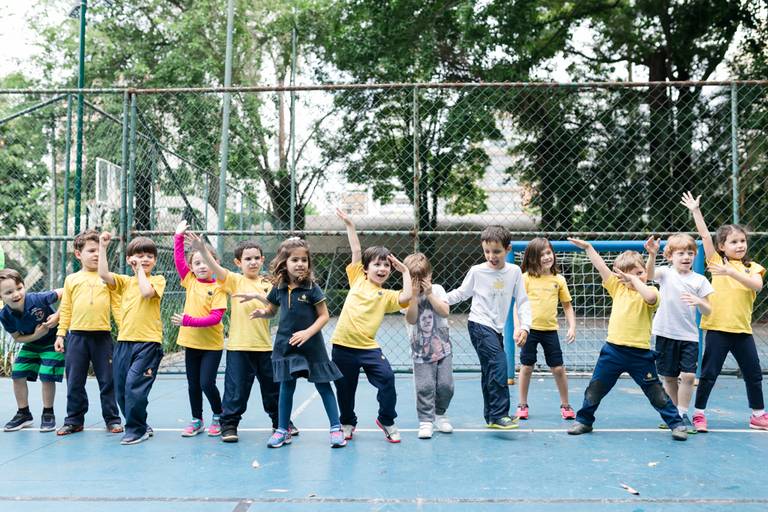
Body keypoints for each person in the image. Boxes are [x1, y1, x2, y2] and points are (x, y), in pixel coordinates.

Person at [566, 238, 687, 441]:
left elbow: (649, 297)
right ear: (620, 277)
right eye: (629, 275)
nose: (635, 278)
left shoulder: (652, 293)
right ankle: (584, 420)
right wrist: (588, 248)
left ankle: (675, 423)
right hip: (613, 351)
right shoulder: (617, 288)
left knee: (656, 392)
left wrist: (639, 276)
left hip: (640, 354)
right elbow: (601, 266)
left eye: (640, 273)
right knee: (595, 388)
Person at [188, 235, 297, 443]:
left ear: (263, 259)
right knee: (235, 389)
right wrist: (202, 250)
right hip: (239, 347)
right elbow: (216, 268)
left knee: (272, 389)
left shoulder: (268, 283)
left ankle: (281, 423)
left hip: (264, 347)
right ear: (238, 263)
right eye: (248, 259)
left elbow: (273, 309)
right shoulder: (234, 280)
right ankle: (229, 426)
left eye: (257, 258)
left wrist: (257, 298)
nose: (253, 262)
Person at [240, 238, 345, 448]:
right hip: (286, 346)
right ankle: (282, 429)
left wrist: (308, 332)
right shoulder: (279, 288)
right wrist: (263, 313)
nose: (300, 264)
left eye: (304, 260)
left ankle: (336, 428)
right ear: (284, 263)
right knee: (286, 388)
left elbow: (324, 316)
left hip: (312, 347)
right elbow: (272, 309)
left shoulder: (312, 288)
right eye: (295, 259)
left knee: (323, 386)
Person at [682, 191, 768, 431]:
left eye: (742, 241)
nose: (739, 245)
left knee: (753, 373)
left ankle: (758, 414)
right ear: (722, 246)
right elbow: (704, 237)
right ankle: (699, 414)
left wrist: (732, 272)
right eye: (733, 241)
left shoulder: (753, 268)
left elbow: (757, 286)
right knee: (709, 374)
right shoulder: (716, 262)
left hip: (742, 331)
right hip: (718, 329)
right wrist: (696, 211)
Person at [331, 209, 412, 443]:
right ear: (365, 268)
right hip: (343, 346)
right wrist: (350, 225)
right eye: (377, 264)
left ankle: (386, 419)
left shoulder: (386, 295)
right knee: (345, 390)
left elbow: (406, 296)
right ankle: (347, 422)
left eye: (386, 265)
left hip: (368, 349)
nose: (382, 268)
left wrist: (405, 271)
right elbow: (356, 250)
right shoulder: (356, 279)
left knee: (387, 378)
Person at [446, 225, 531, 430]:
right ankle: (500, 414)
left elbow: (523, 301)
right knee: (499, 364)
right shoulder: (477, 271)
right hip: (479, 324)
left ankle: (491, 417)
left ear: (508, 249)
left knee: (489, 370)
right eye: (487, 251)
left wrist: (525, 327)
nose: (491, 256)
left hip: (496, 328)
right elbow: (460, 293)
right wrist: (436, 299)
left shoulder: (514, 272)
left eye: (497, 251)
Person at [99, 231, 165, 445]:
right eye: (139, 255)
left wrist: (140, 272)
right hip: (125, 342)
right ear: (129, 259)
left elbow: (146, 293)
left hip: (148, 343)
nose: (145, 259)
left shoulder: (157, 279)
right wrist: (102, 247)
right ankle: (140, 424)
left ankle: (136, 430)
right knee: (120, 390)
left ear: (154, 260)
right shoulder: (125, 282)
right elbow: (103, 275)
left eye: (149, 256)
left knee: (134, 387)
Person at [55, 229, 123, 435]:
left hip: (102, 337)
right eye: (91, 250)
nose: (95, 254)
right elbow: (65, 308)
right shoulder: (72, 280)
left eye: (99, 250)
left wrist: (125, 332)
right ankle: (74, 420)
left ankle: (112, 419)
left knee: (108, 380)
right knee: (75, 380)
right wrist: (60, 334)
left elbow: (117, 307)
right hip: (76, 337)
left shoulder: (109, 278)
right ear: (78, 254)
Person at [644, 233, 713, 433]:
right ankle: (673, 415)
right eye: (681, 253)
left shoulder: (700, 280)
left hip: (689, 336)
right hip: (665, 333)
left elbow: (708, 310)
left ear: (695, 256)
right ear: (670, 256)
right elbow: (648, 276)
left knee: (689, 376)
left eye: (690, 253)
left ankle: (683, 413)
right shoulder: (665, 273)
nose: (686, 257)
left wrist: (700, 301)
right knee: (669, 377)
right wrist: (651, 255)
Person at [171, 221, 227, 437]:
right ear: (191, 267)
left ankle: (218, 415)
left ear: (216, 263)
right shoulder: (190, 281)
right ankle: (197, 420)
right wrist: (178, 237)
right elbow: (178, 261)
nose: (202, 266)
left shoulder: (219, 287)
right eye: (197, 263)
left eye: (207, 262)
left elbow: (215, 318)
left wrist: (188, 320)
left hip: (211, 345)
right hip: (191, 342)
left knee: (206, 383)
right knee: (193, 384)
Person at [516, 237, 577, 421]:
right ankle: (522, 404)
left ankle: (565, 404)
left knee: (558, 368)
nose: (546, 257)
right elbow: (517, 305)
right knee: (526, 367)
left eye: (548, 253)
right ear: (532, 258)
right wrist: (518, 327)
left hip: (550, 331)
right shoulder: (525, 278)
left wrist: (572, 326)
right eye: (541, 255)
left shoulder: (559, 280)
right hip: (529, 330)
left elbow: (567, 305)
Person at [0, 269, 62, 432]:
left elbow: (68, 291)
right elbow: (18, 338)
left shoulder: (37, 299)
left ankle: (48, 413)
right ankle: (24, 413)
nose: (16, 294)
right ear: (1, 297)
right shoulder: (5, 315)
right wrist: (36, 334)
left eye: (19, 288)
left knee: (47, 375)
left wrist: (58, 315)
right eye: (8, 292)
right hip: (32, 343)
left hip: (53, 341)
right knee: (18, 373)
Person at [402, 252, 453, 439]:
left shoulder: (437, 290)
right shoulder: (406, 295)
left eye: (422, 278)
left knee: (446, 385)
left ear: (429, 276)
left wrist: (430, 294)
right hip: (420, 351)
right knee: (425, 386)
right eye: (413, 279)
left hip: (442, 348)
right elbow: (412, 318)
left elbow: (445, 312)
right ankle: (425, 420)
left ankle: (440, 414)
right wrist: (414, 298)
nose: (418, 283)